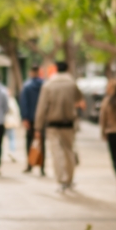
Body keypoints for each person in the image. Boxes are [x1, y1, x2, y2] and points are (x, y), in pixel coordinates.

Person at [33, 61, 83, 192]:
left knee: (57, 153)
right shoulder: (72, 84)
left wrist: (38, 127)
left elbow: (41, 108)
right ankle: (70, 179)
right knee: (69, 151)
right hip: (69, 124)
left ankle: (61, 179)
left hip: (53, 125)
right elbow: (79, 99)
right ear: (67, 69)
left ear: (56, 69)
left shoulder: (48, 85)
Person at [19, 65, 45, 175]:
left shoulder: (27, 86)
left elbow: (24, 103)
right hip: (42, 118)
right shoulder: (44, 85)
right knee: (42, 142)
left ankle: (29, 165)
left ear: (31, 72)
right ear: (39, 72)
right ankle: (42, 167)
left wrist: (24, 118)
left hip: (30, 118)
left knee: (29, 142)